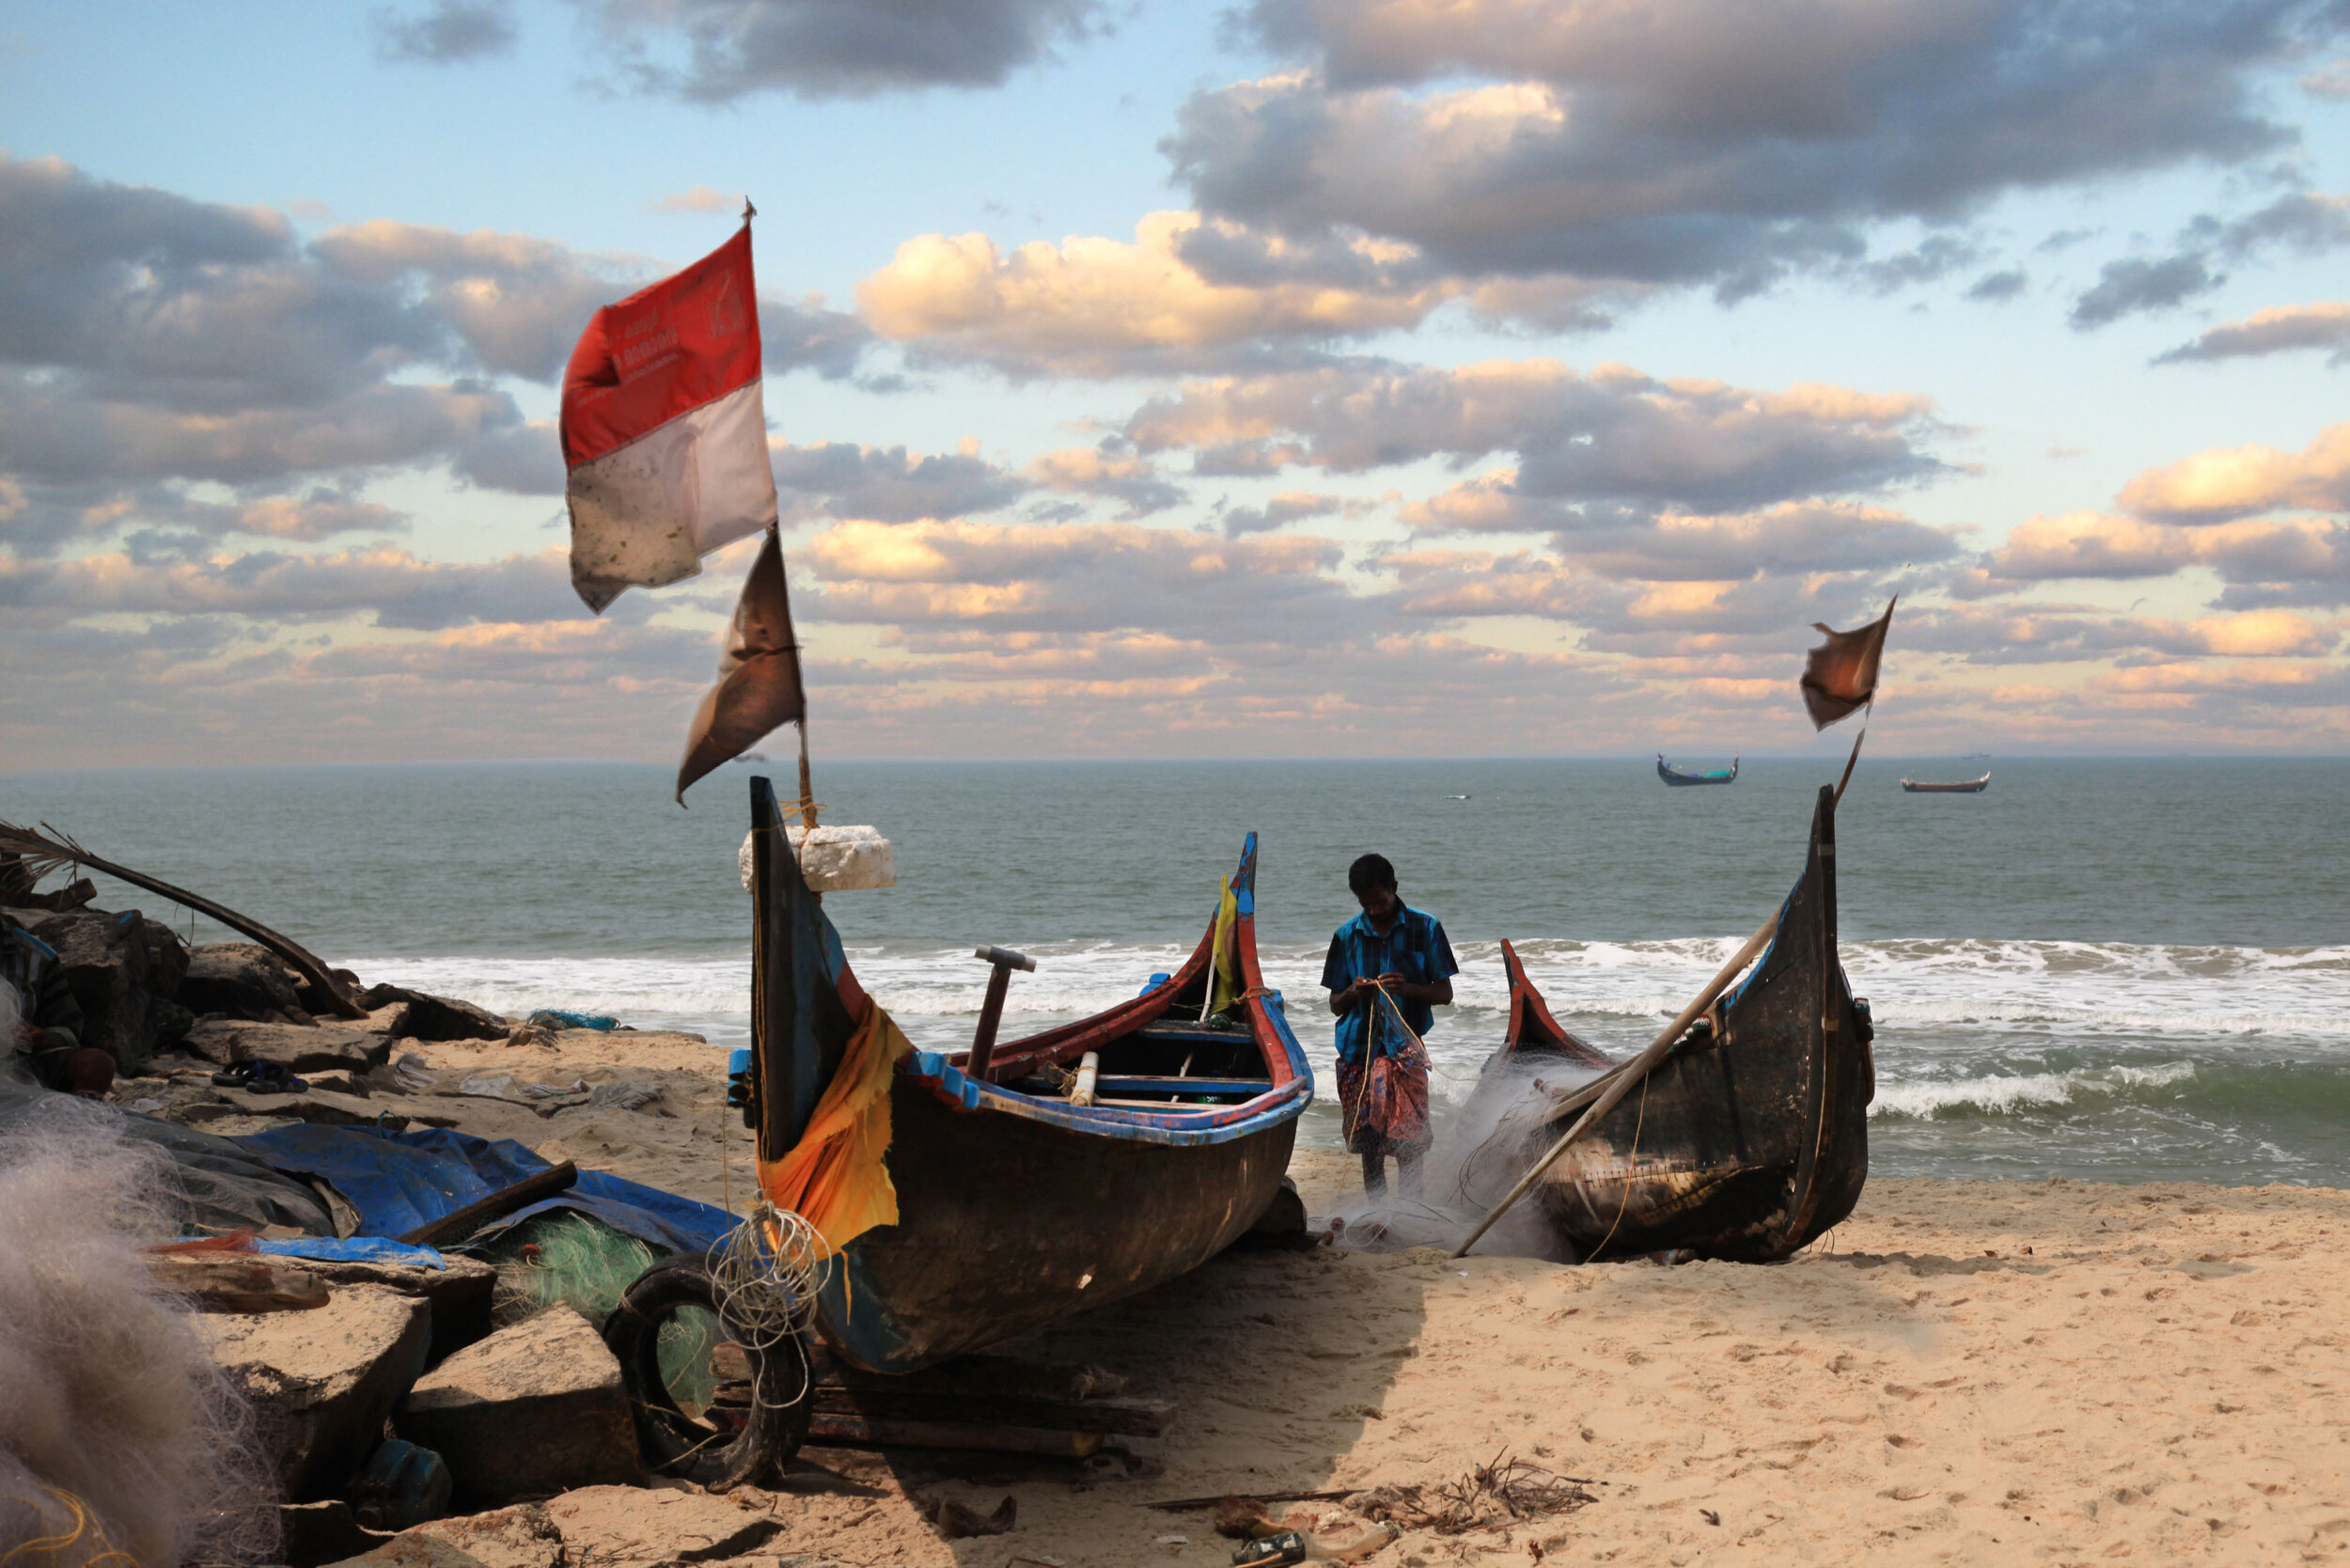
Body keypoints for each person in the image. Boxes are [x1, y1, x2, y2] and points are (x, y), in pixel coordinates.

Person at [1323, 853, 1457, 1199]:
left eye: (1379, 901)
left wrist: (1406, 988)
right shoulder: (1346, 935)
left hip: (1404, 1057)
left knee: (1409, 1145)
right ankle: (1379, 1215)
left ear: (1394, 888)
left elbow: (1444, 993)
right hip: (1358, 1054)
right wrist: (1354, 990)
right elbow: (1335, 1004)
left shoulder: (1425, 928)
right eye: (1365, 904)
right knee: (1369, 1149)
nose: (1374, 910)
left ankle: (1411, 1211)